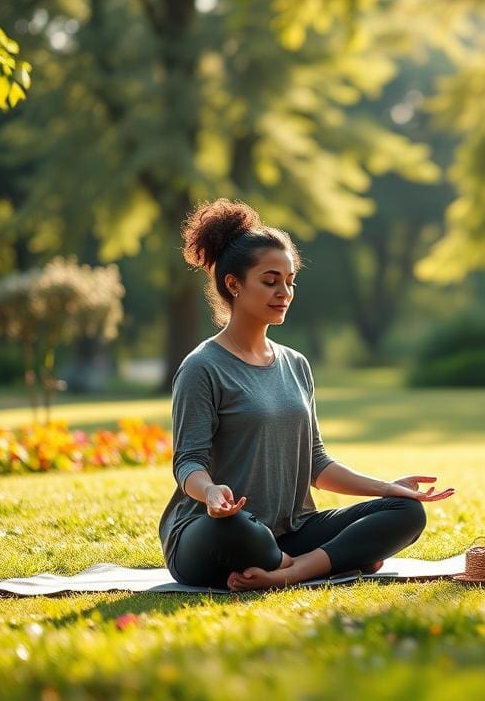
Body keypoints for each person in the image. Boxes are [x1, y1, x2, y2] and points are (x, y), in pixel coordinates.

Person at [159, 199, 454, 591]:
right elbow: (188, 463)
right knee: (238, 530)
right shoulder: (202, 367)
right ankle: (331, 560)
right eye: (270, 280)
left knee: (405, 513)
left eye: (290, 280)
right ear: (233, 284)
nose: (285, 292)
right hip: (213, 533)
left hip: (290, 529)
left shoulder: (295, 363)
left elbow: (316, 464)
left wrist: (388, 487)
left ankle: (288, 571)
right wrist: (211, 493)